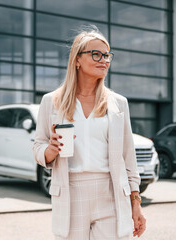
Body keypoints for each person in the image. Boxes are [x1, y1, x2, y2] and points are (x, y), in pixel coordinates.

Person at [33, 27, 146, 240]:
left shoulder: (118, 103)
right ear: (77, 60)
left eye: (107, 55)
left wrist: (136, 203)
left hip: (111, 193)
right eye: (96, 54)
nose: (104, 60)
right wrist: (50, 150)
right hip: (71, 193)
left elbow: (128, 158)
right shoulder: (52, 101)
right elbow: (38, 146)